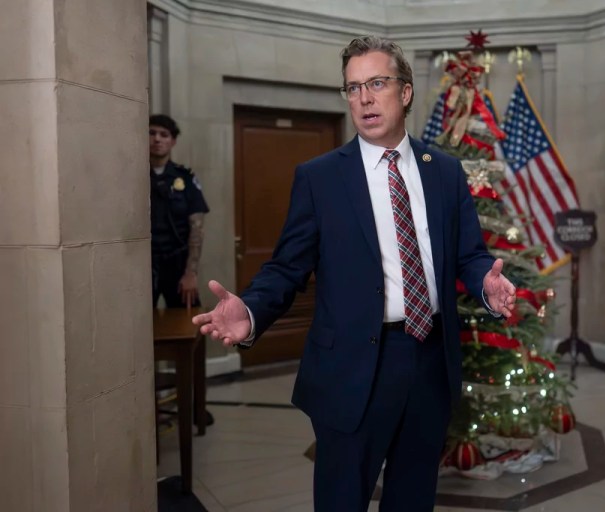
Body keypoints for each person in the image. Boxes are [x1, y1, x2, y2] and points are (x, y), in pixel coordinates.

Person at [192, 36, 517, 511]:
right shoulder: (320, 177)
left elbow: (468, 254)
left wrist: (486, 283)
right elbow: (287, 266)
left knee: (412, 499)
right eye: (352, 88)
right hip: (351, 369)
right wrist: (252, 310)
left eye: (377, 83)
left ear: (404, 92)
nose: (363, 98)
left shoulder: (444, 172)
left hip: (428, 362)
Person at [149, 114, 209, 309]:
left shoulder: (186, 178)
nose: (157, 139)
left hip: (176, 265)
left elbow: (197, 229)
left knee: (191, 322)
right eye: (151, 133)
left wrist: (191, 273)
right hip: (142, 265)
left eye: (164, 134)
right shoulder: (132, 177)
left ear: (173, 141)